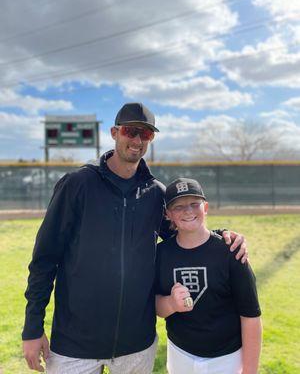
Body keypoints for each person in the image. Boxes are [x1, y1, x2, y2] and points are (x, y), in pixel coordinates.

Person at [22, 102, 248, 374]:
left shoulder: (155, 194)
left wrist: (222, 236)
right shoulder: (77, 184)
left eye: (147, 134)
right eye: (131, 131)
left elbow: (185, 231)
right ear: (114, 132)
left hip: (136, 345)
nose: (138, 140)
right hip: (75, 343)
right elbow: (45, 260)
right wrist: (33, 328)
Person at [155, 178, 262, 374]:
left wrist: (249, 371)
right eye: (178, 207)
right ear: (168, 214)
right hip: (180, 354)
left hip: (227, 358)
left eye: (194, 204)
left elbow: (251, 316)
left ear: (205, 207)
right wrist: (171, 303)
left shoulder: (231, 251)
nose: (188, 211)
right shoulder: (161, 254)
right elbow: (156, 306)